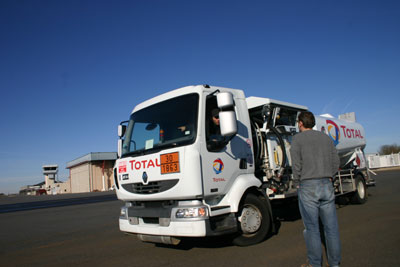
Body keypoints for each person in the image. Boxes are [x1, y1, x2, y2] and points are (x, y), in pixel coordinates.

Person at [290, 111, 341, 267]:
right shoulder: (326, 138)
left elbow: (296, 164)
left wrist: (297, 181)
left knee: (312, 229)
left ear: (300, 123)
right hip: (326, 184)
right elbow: (336, 160)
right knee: (331, 228)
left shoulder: (297, 139)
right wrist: (330, 176)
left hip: (308, 186)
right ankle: (335, 264)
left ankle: (315, 263)